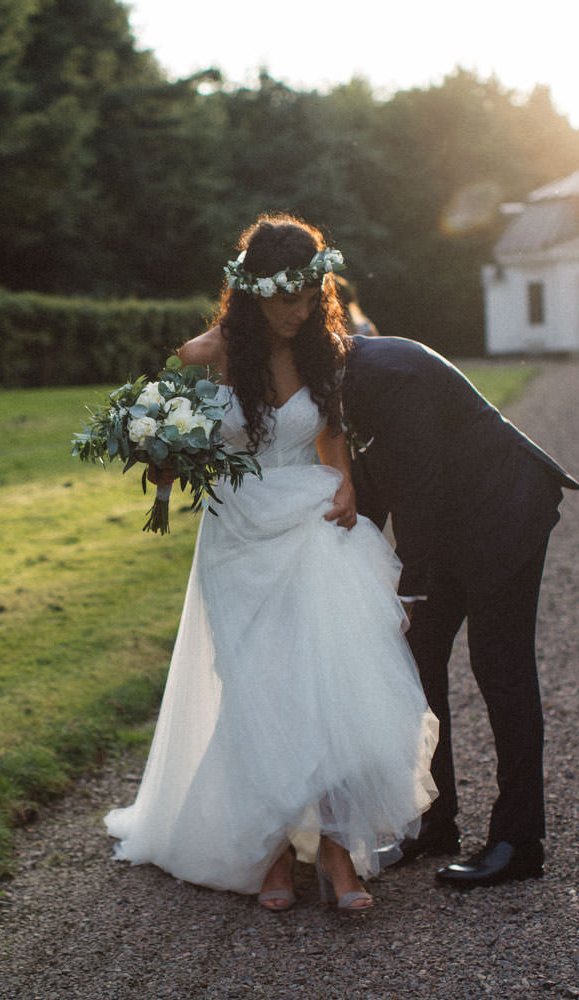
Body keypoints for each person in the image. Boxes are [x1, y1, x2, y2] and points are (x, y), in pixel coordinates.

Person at [104, 215, 438, 912]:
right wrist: (163, 449)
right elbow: (166, 402)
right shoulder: (216, 352)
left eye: (308, 297)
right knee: (258, 687)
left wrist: (345, 480)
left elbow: (334, 429)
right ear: (253, 292)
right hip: (239, 536)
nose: (297, 312)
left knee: (335, 678)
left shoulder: (326, 347)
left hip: (316, 522)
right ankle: (274, 851)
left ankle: (340, 856)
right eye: (285, 299)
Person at [341, 330, 579, 887]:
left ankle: (518, 840)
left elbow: (420, 484)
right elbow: (376, 482)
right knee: (416, 660)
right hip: (451, 519)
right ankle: (435, 821)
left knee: (500, 667)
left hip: (504, 508)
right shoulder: (339, 381)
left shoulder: (388, 370)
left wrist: (406, 587)